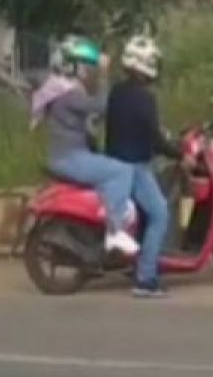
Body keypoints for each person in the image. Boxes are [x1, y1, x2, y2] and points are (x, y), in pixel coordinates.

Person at [32, 35, 139, 257]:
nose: (88, 72)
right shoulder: (68, 93)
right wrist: (104, 74)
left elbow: (86, 120)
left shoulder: (59, 90)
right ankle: (115, 230)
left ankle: (103, 225)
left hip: (66, 155)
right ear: (74, 67)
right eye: (86, 67)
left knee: (110, 168)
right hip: (71, 158)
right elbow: (101, 106)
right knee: (122, 171)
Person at [105, 34, 181, 299]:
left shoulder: (117, 92)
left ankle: (137, 259)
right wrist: (179, 153)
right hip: (134, 166)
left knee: (146, 212)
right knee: (160, 213)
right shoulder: (145, 98)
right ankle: (146, 278)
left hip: (113, 163)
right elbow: (154, 138)